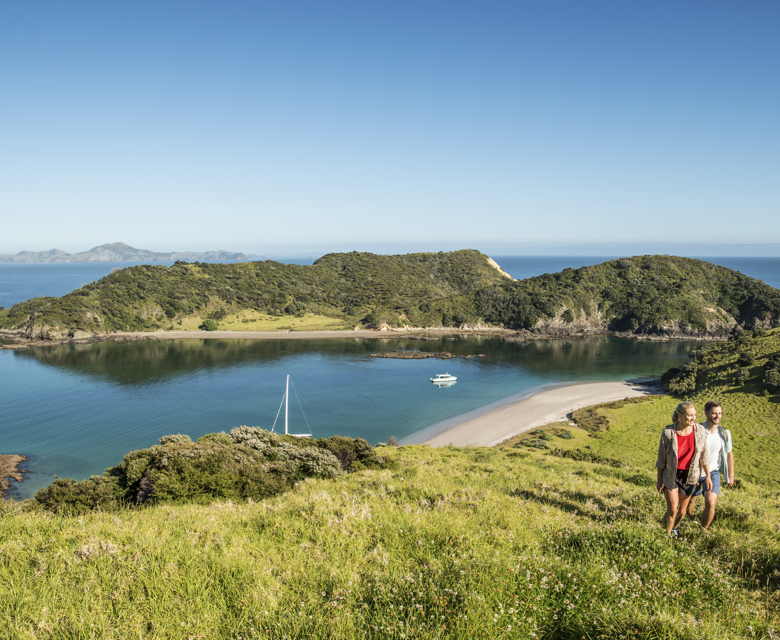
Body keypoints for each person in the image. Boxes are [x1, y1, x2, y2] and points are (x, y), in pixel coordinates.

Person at [656, 401, 711, 537]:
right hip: (671, 475)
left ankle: (673, 528)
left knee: (682, 512)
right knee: (673, 510)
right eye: (689, 415)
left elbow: (704, 455)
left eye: (694, 415)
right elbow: (661, 459)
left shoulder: (700, 431)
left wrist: (708, 476)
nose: (693, 418)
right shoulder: (668, 433)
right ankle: (665, 536)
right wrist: (659, 480)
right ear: (680, 415)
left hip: (691, 475)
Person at [686, 401, 734, 529]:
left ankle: (703, 531)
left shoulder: (724, 433)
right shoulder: (696, 430)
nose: (717, 416)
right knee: (691, 500)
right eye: (714, 413)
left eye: (720, 413)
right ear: (706, 413)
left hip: (713, 472)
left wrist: (731, 475)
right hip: (695, 472)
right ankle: (687, 522)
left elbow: (729, 454)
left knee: (711, 503)